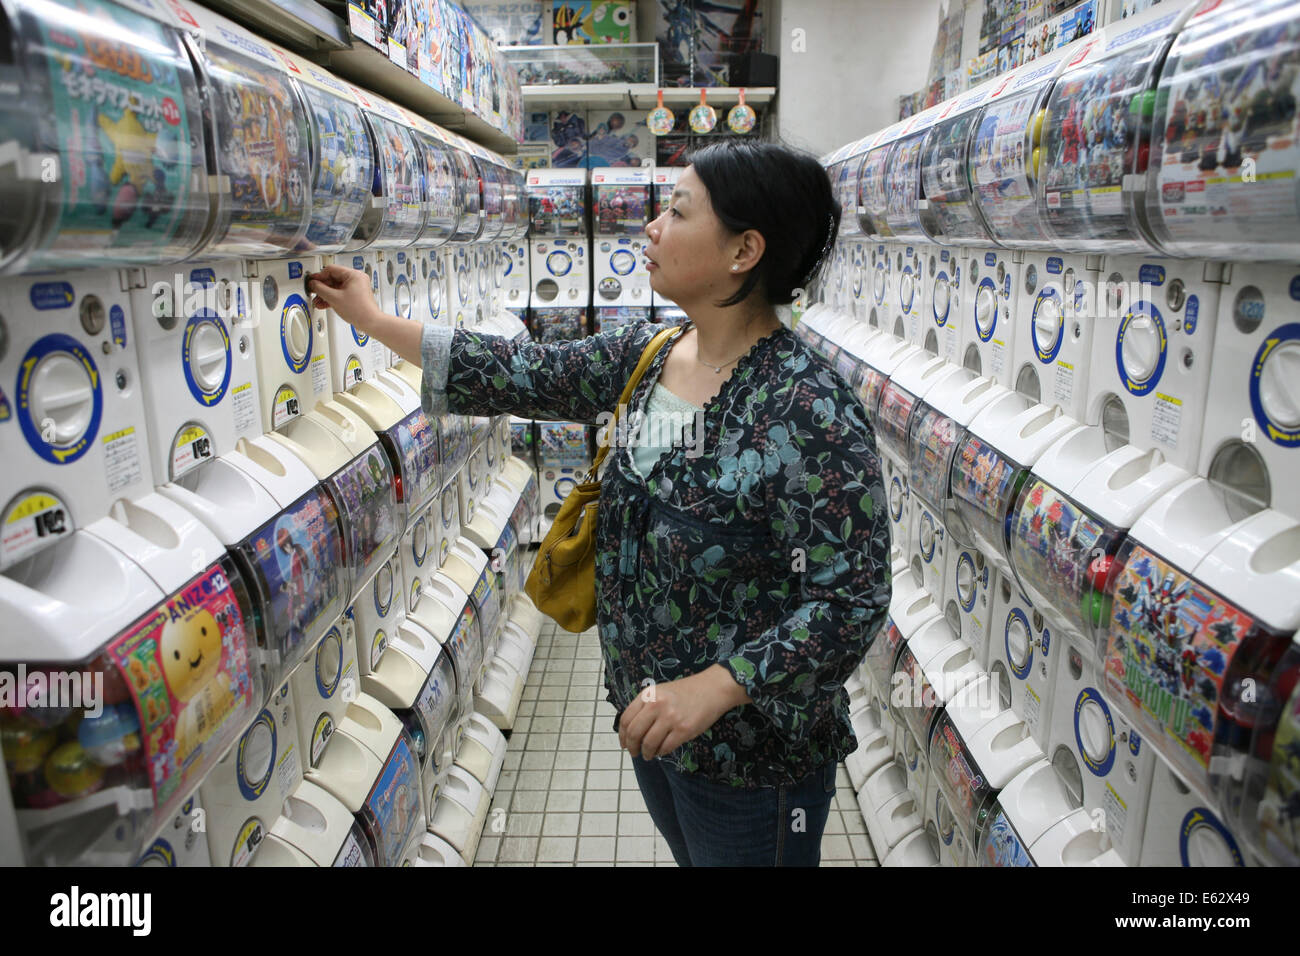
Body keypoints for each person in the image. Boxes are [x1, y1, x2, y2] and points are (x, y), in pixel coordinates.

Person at [306, 139, 892, 867]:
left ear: (744, 250)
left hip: (751, 758)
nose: (651, 227)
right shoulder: (651, 357)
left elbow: (852, 598)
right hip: (649, 720)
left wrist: (719, 687)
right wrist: (370, 319)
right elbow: (519, 371)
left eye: (677, 211)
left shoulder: (809, 410)